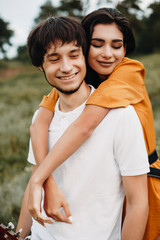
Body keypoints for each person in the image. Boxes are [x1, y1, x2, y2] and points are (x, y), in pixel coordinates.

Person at [27, 8, 160, 240]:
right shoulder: (75, 79)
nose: (107, 54)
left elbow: (84, 126)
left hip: (146, 181)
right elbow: (40, 120)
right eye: (97, 44)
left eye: (116, 45)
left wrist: (40, 179)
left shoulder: (127, 73)